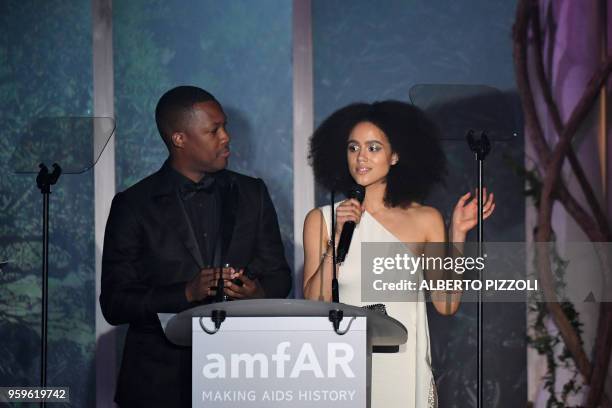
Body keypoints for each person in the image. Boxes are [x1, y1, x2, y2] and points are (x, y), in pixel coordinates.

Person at [100, 85, 292, 407]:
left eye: (225, 126)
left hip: (241, 375)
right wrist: (185, 293)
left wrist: (257, 293)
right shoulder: (133, 205)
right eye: (213, 130)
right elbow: (115, 303)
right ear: (179, 138)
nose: (226, 137)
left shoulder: (252, 193)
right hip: (157, 384)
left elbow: (280, 275)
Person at [302, 101, 494, 408]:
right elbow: (314, 304)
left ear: (395, 155)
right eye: (353, 148)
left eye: (373, 147)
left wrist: (458, 233)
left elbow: (446, 303)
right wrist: (337, 240)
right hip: (341, 366)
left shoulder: (425, 219)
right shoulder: (321, 220)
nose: (361, 157)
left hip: (404, 367)